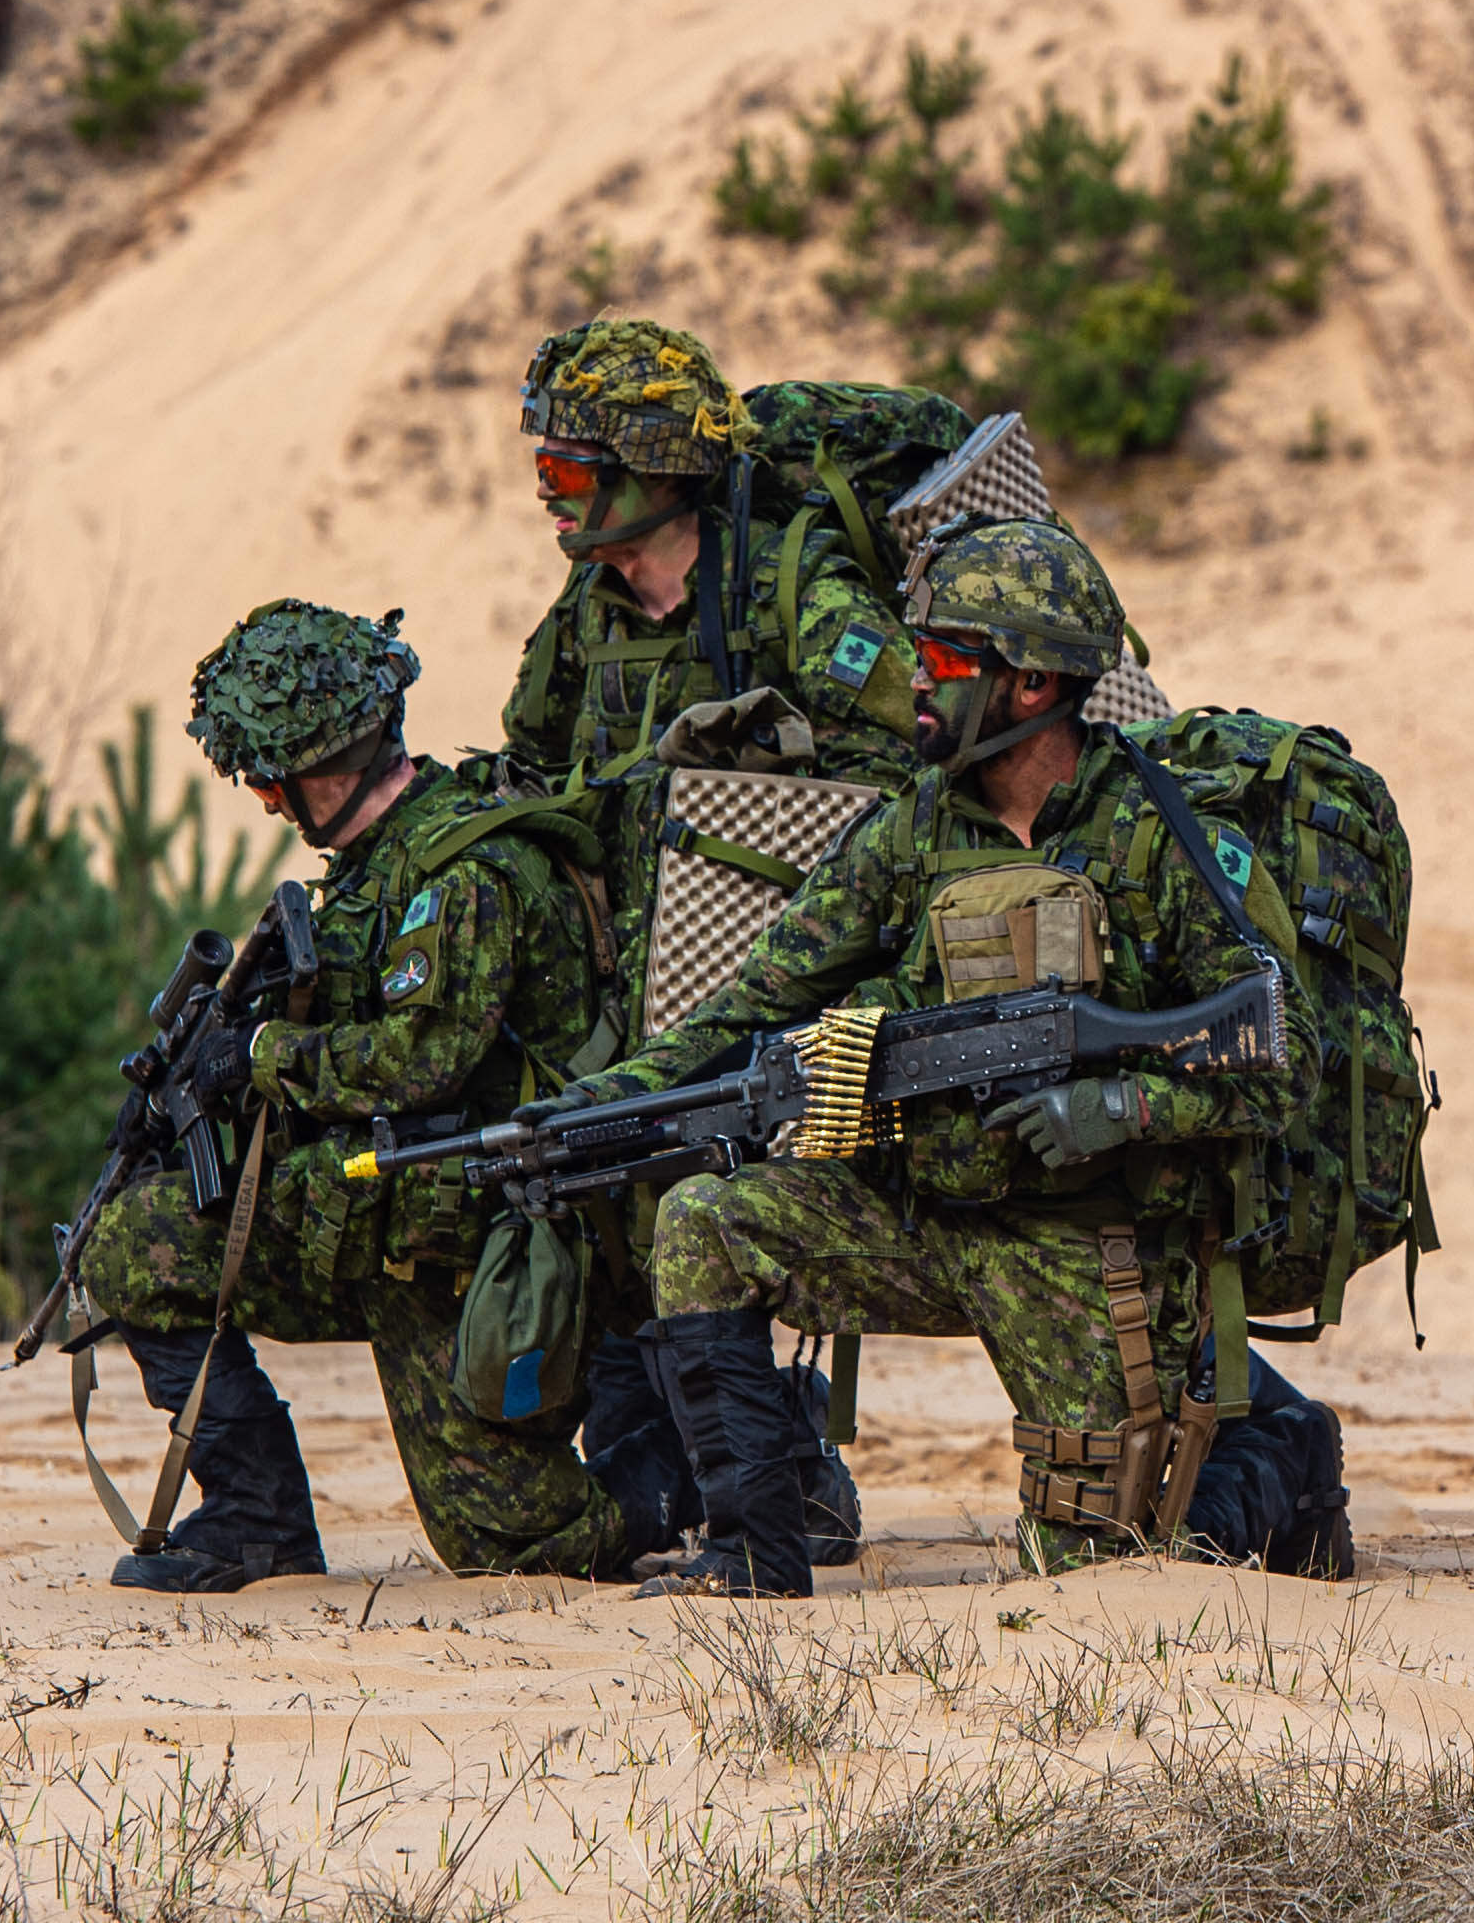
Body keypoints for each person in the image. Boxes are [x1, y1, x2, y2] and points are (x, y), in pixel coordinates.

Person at [554, 516, 1348, 1596]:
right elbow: (757, 998)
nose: (913, 683)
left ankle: (1280, 1453)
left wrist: (1120, 1105)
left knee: (1104, 1576)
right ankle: (754, 1549)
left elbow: (1283, 1056)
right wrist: (601, 1104)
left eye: (939, 662)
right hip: (925, 1220)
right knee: (707, 1223)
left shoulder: (1164, 836)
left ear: (1027, 685)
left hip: (1092, 1249)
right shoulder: (911, 829)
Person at [82, 601, 677, 1591]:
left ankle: (730, 1458)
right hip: (381, 1214)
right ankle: (255, 1519)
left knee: (513, 1543)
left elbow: (420, 1061)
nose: (269, 805)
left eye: (273, 781)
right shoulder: (376, 868)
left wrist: (265, 1050)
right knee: (136, 1242)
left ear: (325, 765)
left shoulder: (464, 871)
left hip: (481, 1235)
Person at [504, 319, 926, 1561]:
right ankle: (672, 1479)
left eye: (570, 471)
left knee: (716, 1212)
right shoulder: (587, 613)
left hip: (775, 974)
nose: (549, 493)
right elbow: (535, 766)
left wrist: (766, 768)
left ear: (651, 468)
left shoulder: (792, 582)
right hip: (625, 974)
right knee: (609, 1207)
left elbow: (921, 748)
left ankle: (784, 1482)